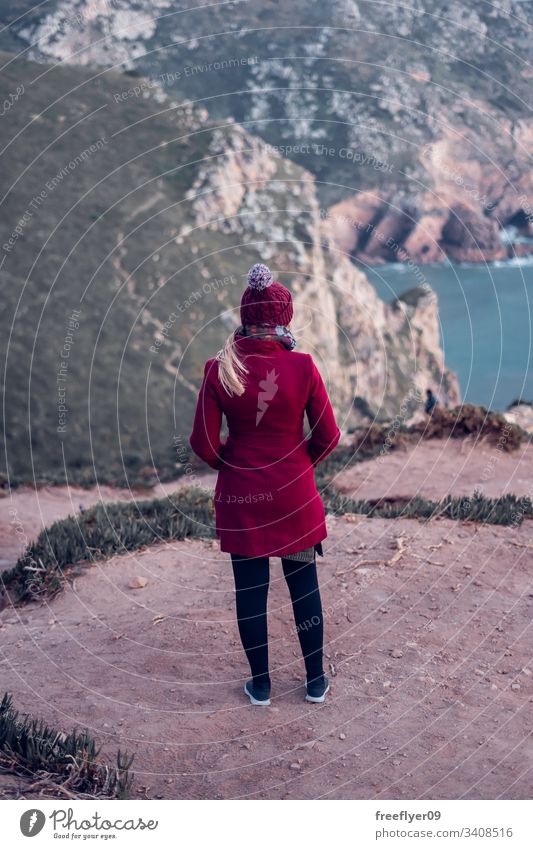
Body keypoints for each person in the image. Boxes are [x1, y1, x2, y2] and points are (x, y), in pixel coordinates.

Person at [189, 263, 341, 706]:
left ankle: (261, 685)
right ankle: (315, 682)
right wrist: (298, 465)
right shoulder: (303, 367)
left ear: (245, 315)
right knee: (304, 587)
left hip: (242, 500)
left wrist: (235, 465)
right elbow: (329, 435)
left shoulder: (220, 369)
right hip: (295, 498)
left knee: (250, 593)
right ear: (285, 318)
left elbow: (202, 443)